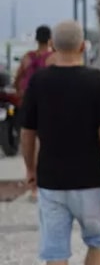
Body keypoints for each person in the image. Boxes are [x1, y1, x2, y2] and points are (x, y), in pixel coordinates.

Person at [19, 20, 100, 265]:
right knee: (98, 242)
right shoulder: (96, 81)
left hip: (51, 183)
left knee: (55, 253)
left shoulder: (39, 82)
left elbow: (27, 134)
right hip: (90, 182)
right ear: (82, 46)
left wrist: (30, 169)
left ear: (52, 45)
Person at [13, 24, 56, 201]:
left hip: (29, 104)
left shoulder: (27, 58)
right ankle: (46, 182)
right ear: (50, 39)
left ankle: (33, 181)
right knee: (46, 143)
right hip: (49, 105)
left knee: (29, 139)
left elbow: (17, 79)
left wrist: (20, 94)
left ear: (36, 39)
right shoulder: (53, 58)